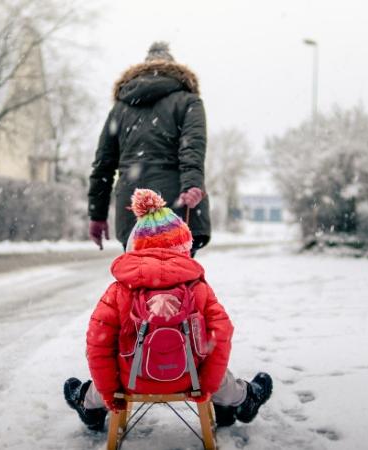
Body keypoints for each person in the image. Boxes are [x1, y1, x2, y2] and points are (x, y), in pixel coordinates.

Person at [64, 189, 272, 431]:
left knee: (110, 366)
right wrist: (206, 386)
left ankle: (88, 404)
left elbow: (97, 343)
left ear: (136, 246)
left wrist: (111, 394)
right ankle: (243, 398)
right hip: (189, 379)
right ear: (184, 246)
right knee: (216, 370)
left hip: (132, 382)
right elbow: (221, 334)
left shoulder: (119, 290)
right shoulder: (198, 289)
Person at [88, 42, 211, 256]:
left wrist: (97, 215)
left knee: (138, 278)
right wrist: (192, 185)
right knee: (178, 279)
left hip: (132, 206)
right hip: (176, 204)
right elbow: (192, 149)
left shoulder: (120, 108)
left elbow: (103, 165)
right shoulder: (188, 101)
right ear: (174, 68)